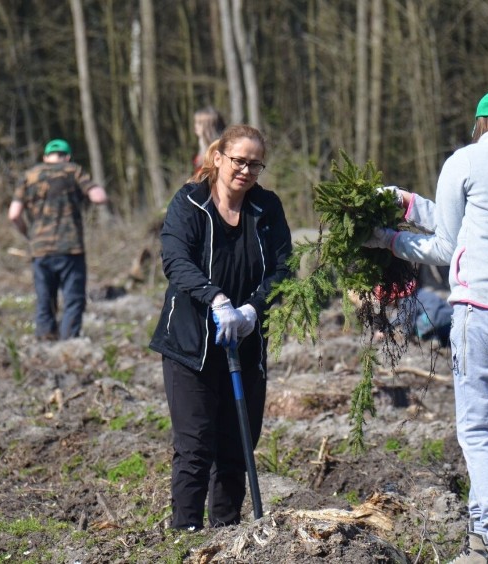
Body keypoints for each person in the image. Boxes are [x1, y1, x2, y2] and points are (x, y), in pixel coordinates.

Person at [365, 85, 488, 564]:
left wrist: (387, 240)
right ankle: (477, 546)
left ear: (482, 120)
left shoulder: (465, 160)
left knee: (477, 433)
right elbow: (473, 224)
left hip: (484, 309)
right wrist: (407, 204)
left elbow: (447, 248)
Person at [149, 124, 292, 530]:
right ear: (218, 158)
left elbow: (283, 268)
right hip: (192, 344)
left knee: (237, 448)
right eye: (238, 160)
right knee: (195, 446)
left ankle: (227, 534)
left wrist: (251, 310)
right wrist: (216, 298)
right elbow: (175, 261)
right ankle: (185, 535)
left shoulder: (267, 209)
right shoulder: (190, 202)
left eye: (255, 164)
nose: (245, 170)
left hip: (245, 343)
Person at [8, 138, 108, 340]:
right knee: (73, 300)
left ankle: (45, 343)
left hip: (40, 249)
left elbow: (14, 214)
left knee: (45, 300)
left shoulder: (29, 176)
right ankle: (68, 345)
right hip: (70, 248)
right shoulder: (73, 171)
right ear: (67, 156)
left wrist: (28, 234)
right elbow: (99, 197)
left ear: (45, 157)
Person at [192, 107, 226, 174]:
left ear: (210, 127)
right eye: (196, 122)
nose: (195, 126)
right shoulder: (202, 146)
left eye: (199, 123)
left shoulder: (218, 150)